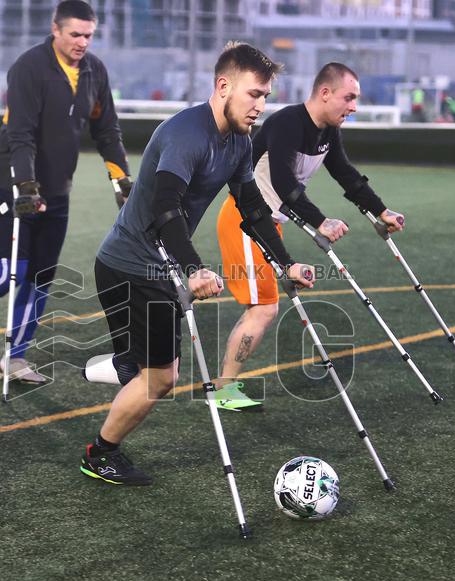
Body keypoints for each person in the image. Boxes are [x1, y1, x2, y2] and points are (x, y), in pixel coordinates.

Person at [79, 43, 314, 485]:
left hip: (151, 267)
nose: (260, 105)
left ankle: (122, 364)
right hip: (133, 267)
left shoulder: (239, 141)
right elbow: (166, 208)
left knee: (142, 368)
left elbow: (252, 209)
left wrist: (286, 264)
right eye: (254, 94)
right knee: (162, 379)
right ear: (223, 86)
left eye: (265, 96)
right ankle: (100, 454)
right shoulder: (187, 134)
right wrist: (194, 269)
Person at [211, 63, 405, 412]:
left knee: (264, 308)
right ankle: (224, 390)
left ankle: (225, 387)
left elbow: (345, 174)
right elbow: (284, 182)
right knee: (264, 308)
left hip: (270, 225)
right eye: (349, 98)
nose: (354, 107)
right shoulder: (287, 123)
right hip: (245, 221)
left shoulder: (328, 132)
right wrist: (320, 222)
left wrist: (381, 211)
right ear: (325, 93)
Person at [0, 0, 130, 383]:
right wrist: (26, 187)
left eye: (89, 35)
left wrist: (121, 180)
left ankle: (14, 359)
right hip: (11, 182)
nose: (82, 42)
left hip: (58, 190)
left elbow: (107, 131)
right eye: (75, 34)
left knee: (41, 277)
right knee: (13, 270)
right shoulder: (28, 68)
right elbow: (21, 134)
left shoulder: (95, 71)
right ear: (55, 29)